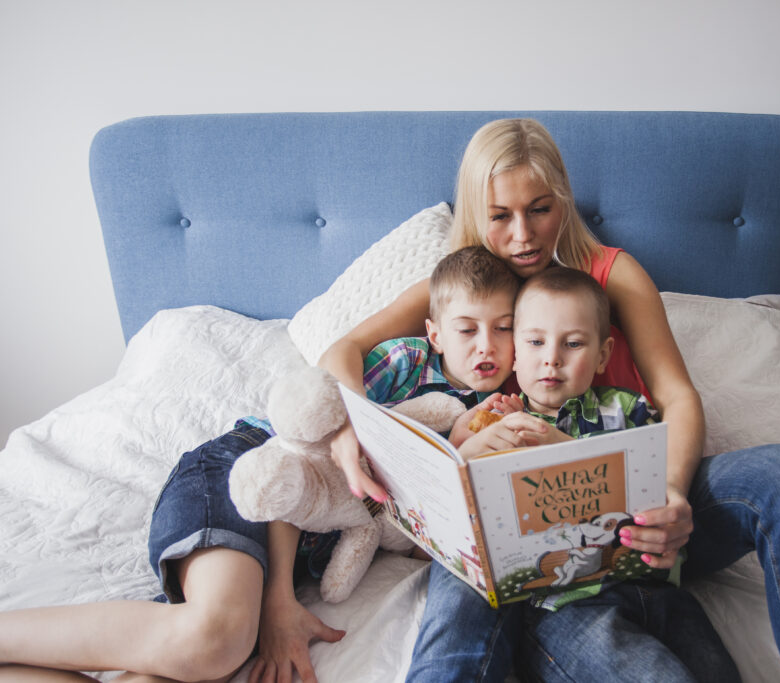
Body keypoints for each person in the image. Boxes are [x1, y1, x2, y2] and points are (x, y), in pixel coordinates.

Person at [320, 118, 780, 681]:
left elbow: (678, 397)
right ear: (476, 213)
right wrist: (353, 424)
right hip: (518, 531)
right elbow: (341, 350)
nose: (523, 235)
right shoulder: (462, 294)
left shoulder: (612, 276)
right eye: (500, 216)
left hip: (638, 512)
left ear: (563, 202)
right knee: (464, 589)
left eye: (539, 208)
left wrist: (670, 493)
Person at [0, 246, 522, 683]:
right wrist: (277, 603)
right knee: (216, 641)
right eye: (467, 329)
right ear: (435, 334)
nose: (487, 346)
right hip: (243, 474)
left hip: (298, 546)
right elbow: (294, 463)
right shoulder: (404, 365)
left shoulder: (496, 412)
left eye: (503, 329)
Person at [408, 265, 740, 683]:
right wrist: (470, 451)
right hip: (569, 600)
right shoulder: (498, 424)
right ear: (515, 349)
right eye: (534, 341)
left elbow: (650, 477)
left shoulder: (629, 409)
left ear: (602, 354)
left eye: (574, 344)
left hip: (659, 590)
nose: (551, 358)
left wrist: (560, 444)